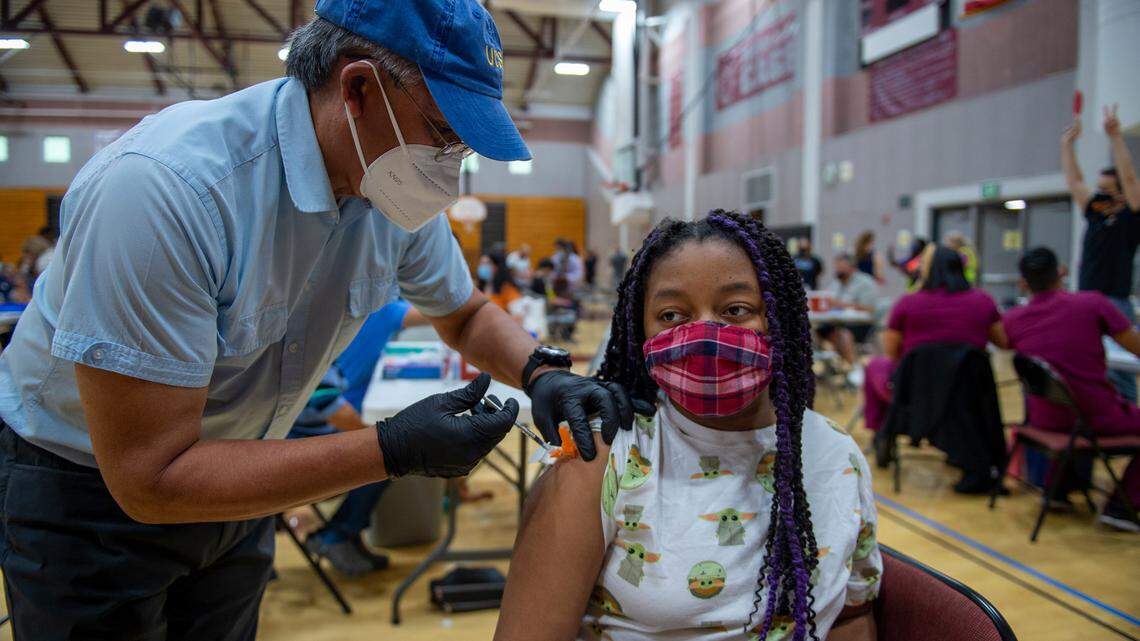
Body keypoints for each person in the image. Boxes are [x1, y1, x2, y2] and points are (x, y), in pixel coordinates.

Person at [0, 3, 634, 638]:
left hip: (241, 474)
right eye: (444, 135)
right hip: (89, 494)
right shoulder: (169, 190)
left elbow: (464, 314)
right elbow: (150, 478)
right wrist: (393, 449)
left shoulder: (385, 190)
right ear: (357, 88)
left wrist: (539, 370)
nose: (452, 167)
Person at [495, 211, 880, 641]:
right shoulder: (601, 455)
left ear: (779, 316)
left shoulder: (836, 455)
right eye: (672, 316)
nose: (705, 336)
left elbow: (850, 616)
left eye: (736, 310)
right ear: (638, 329)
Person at [286, 300, 429, 575]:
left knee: (391, 449)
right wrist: (379, 437)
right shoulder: (314, 334)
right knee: (387, 455)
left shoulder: (331, 328)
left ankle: (345, 535)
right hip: (299, 445)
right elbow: (329, 407)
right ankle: (338, 536)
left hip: (310, 435)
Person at [1003, 247, 1140, 531]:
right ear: (1061, 272)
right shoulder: (1092, 304)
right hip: (1093, 416)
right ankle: (1122, 506)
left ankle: (1058, 490)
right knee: (1093, 408)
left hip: (1045, 417)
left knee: (1069, 408)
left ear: (1023, 282)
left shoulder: (1014, 319)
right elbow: (1134, 346)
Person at [863, 246, 1007, 492]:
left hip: (916, 397)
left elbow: (892, 353)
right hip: (970, 399)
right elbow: (1003, 342)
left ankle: (881, 433)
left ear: (926, 271)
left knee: (875, 366)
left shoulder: (908, 304)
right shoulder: (982, 300)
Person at [1063, 103, 1140, 402]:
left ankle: (1130, 423)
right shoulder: (1095, 209)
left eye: (1106, 190)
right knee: (1086, 365)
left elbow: (1131, 179)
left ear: (1120, 191)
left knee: (1122, 370)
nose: (1100, 195)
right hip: (1086, 298)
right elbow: (1074, 181)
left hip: (1114, 300)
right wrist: (1067, 144)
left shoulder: (1132, 214)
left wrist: (1116, 137)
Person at [818, 254, 878, 368]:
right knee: (817, 331)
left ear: (852, 267)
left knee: (843, 335)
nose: (838, 270)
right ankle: (835, 365)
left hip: (860, 324)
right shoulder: (836, 282)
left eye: (842, 267)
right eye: (837, 267)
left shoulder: (865, 282)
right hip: (837, 322)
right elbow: (828, 300)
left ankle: (853, 370)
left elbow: (870, 308)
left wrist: (842, 305)